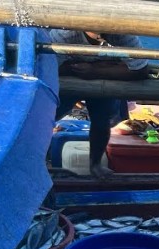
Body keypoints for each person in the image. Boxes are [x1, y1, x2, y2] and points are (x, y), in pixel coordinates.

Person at [49, 29, 150, 178]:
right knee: (49, 114)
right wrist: (83, 68)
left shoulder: (121, 32)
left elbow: (141, 70)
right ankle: (41, 159)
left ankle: (95, 164)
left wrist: (95, 71)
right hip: (72, 75)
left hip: (100, 78)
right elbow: (48, 66)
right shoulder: (65, 33)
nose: (102, 30)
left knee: (102, 120)